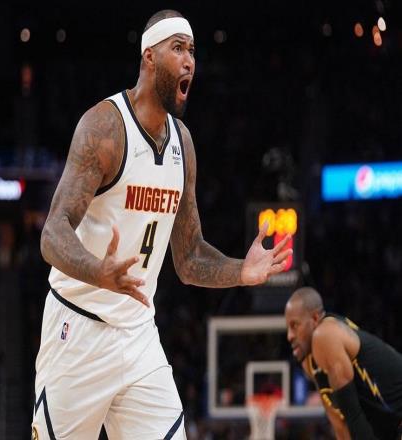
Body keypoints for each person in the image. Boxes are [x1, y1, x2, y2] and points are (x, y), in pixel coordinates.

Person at [32, 9, 292, 440]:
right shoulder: (105, 127)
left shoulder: (182, 143)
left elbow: (189, 258)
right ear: (149, 57)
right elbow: (52, 233)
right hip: (77, 329)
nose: (189, 60)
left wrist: (241, 271)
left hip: (138, 335)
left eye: (193, 51)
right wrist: (99, 272)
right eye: (178, 48)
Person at [285, 287, 402, 440]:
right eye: (288, 328)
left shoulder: (325, 334)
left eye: (295, 325)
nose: (289, 336)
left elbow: (353, 415)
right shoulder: (309, 363)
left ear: (314, 319)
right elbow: (341, 426)